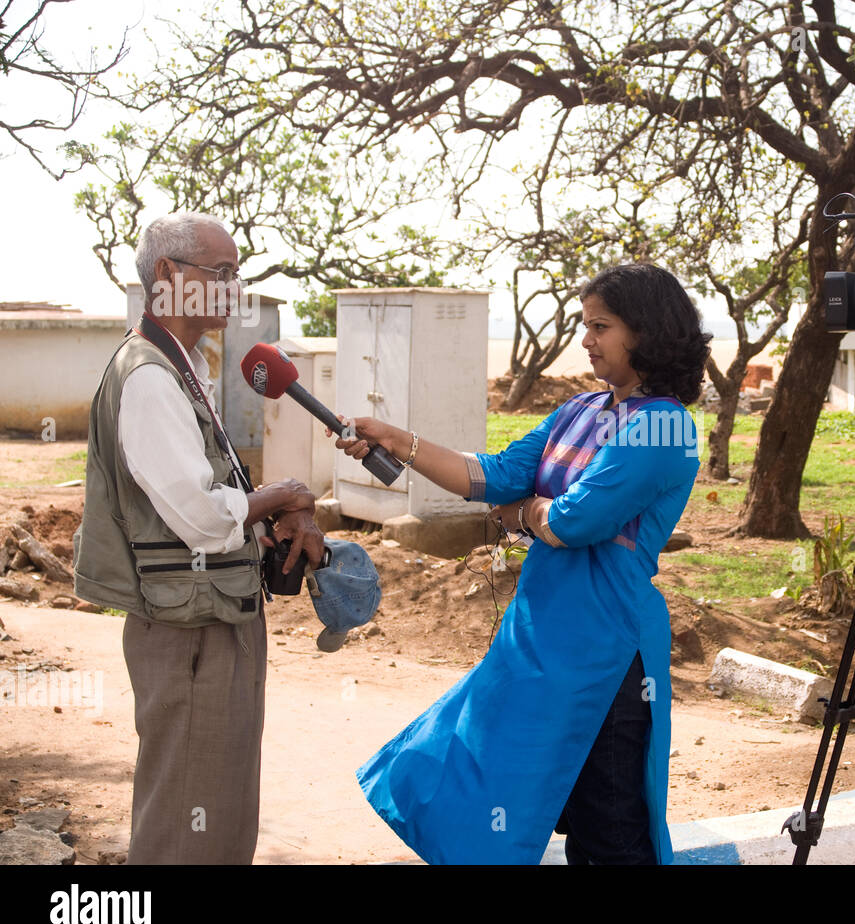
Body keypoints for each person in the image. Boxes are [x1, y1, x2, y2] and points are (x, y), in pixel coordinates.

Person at [339, 263, 710, 864]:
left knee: (610, 824)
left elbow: (574, 521)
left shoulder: (665, 426)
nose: (586, 339)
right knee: (493, 776)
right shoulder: (581, 411)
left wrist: (525, 515)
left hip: (608, 649)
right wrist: (397, 441)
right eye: (585, 324)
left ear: (644, 331)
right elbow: (492, 474)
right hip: (540, 636)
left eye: (601, 326)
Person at [73, 212, 325, 864]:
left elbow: (209, 510)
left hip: (210, 617)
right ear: (167, 276)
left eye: (237, 274)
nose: (234, 289)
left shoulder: (178, 366)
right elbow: (201, 516)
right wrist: (285, 492)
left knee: (217, 816)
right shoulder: (151, 376)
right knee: (187, 824)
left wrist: (269, 523)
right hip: (189, 633)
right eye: (221, 273)